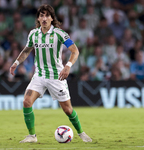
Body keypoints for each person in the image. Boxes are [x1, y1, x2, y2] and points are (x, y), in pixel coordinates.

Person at [9, 4, 92, 143]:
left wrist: (68, 66)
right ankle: (32, 136)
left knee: (68, 110)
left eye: (47, 15)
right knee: (26, 101)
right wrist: (16, 63)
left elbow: (75, 51)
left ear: (52, 18)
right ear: (38, 18)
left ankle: (81, 133)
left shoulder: (59, 34)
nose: (44, 18)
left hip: (56, 76)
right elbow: (26, 50)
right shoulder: (33, 34)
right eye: (41, 15)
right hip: (39, 75)